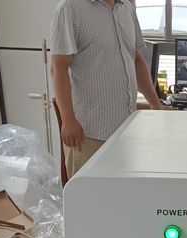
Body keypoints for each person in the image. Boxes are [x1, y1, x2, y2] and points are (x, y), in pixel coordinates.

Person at [50, 0, 163, 178]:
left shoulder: (127, 8)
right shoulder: (70, 8)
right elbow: (58, 68)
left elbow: (136, 59)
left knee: (123, 191)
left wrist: (155, 104)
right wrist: (68, 120)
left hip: (126, 130)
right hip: (89, 133)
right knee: (88, 194)